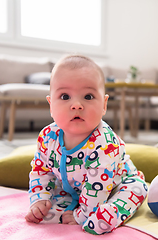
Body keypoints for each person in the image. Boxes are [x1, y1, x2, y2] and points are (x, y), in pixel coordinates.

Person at [25, 54, 148, 235]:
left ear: (104, 105)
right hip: (73, 189)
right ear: (51, 105)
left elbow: (97, 187)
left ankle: (105, 214)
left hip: (116, 186)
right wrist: (39, 198)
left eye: (88, 96)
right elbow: (41, 171)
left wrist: (82, 215)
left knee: (136, 190)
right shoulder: (47, 137)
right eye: (65, 96)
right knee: (45, 212)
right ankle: (72, 209)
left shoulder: (105, 144)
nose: (76, 105)